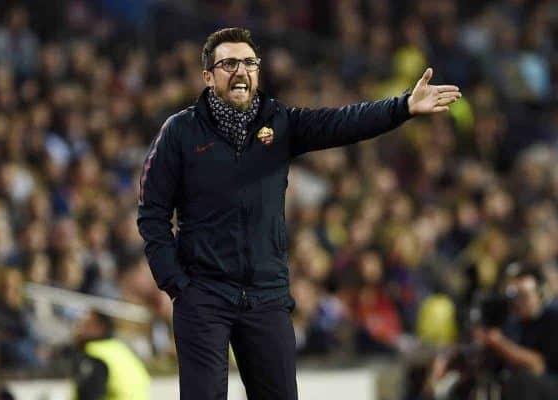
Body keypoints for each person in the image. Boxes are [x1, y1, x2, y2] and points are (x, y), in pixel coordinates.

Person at [137, 27, 461, 400]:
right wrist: (177, 284)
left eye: (248, 62)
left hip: (266, 295)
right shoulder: (180, 131)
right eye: (228, 64)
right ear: (208, 76)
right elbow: (152, 213)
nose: (240, 71)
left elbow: (343, 122)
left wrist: (401, 107)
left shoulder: (279, 122)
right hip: (204, 296)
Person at [474, 266, 558, 400]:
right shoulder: (512, 322)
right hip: (518, 385)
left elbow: (537, 365)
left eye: (524, 295)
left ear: (540, 294)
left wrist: (499, 343)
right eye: (515, 296)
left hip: (549, 385)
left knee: (523, 380)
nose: (519, 301)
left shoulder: (552, 319)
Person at [71, 310, 150, 400]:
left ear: (100, 328)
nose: (78, 330)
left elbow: (88, 395)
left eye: (85, 325)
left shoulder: (95, 353)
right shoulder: (120, 349)